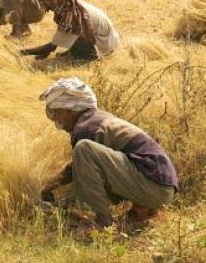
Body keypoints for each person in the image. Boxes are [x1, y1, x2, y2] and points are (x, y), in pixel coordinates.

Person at [39, 77, 179, 230]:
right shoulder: (96, 119)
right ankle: (145, 210)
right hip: (163, 187)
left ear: (71, 109)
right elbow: (95, 174)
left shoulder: (86, 127)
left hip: (153, 185)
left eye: (57, 112)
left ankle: (104, 222)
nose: (56, 119)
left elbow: (76, 171)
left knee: (83, 149)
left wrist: (47, 188)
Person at [20, 0, 119, 61]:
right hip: (105, 37)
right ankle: (75, 52)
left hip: (105, 43)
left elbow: (53, 45)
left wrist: (22, 53)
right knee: (69, 36)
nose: (44, 4)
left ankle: (91, 57)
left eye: (46, 1)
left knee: (74, 37)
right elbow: (60, 37)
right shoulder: (68, 5)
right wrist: (48, 49)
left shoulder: (73, 14)